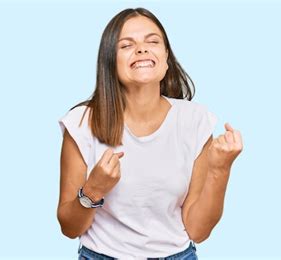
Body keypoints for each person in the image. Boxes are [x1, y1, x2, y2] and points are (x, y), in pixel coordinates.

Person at [57, 7, 243, 260]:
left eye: (153, 41)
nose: (142, 49)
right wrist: (93, 189)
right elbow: (69, 228)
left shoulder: (195, 120)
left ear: (166, 56)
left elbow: (198, 231)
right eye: (126, 45)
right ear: (110, 60)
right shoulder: (81, 123)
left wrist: (220, 169)